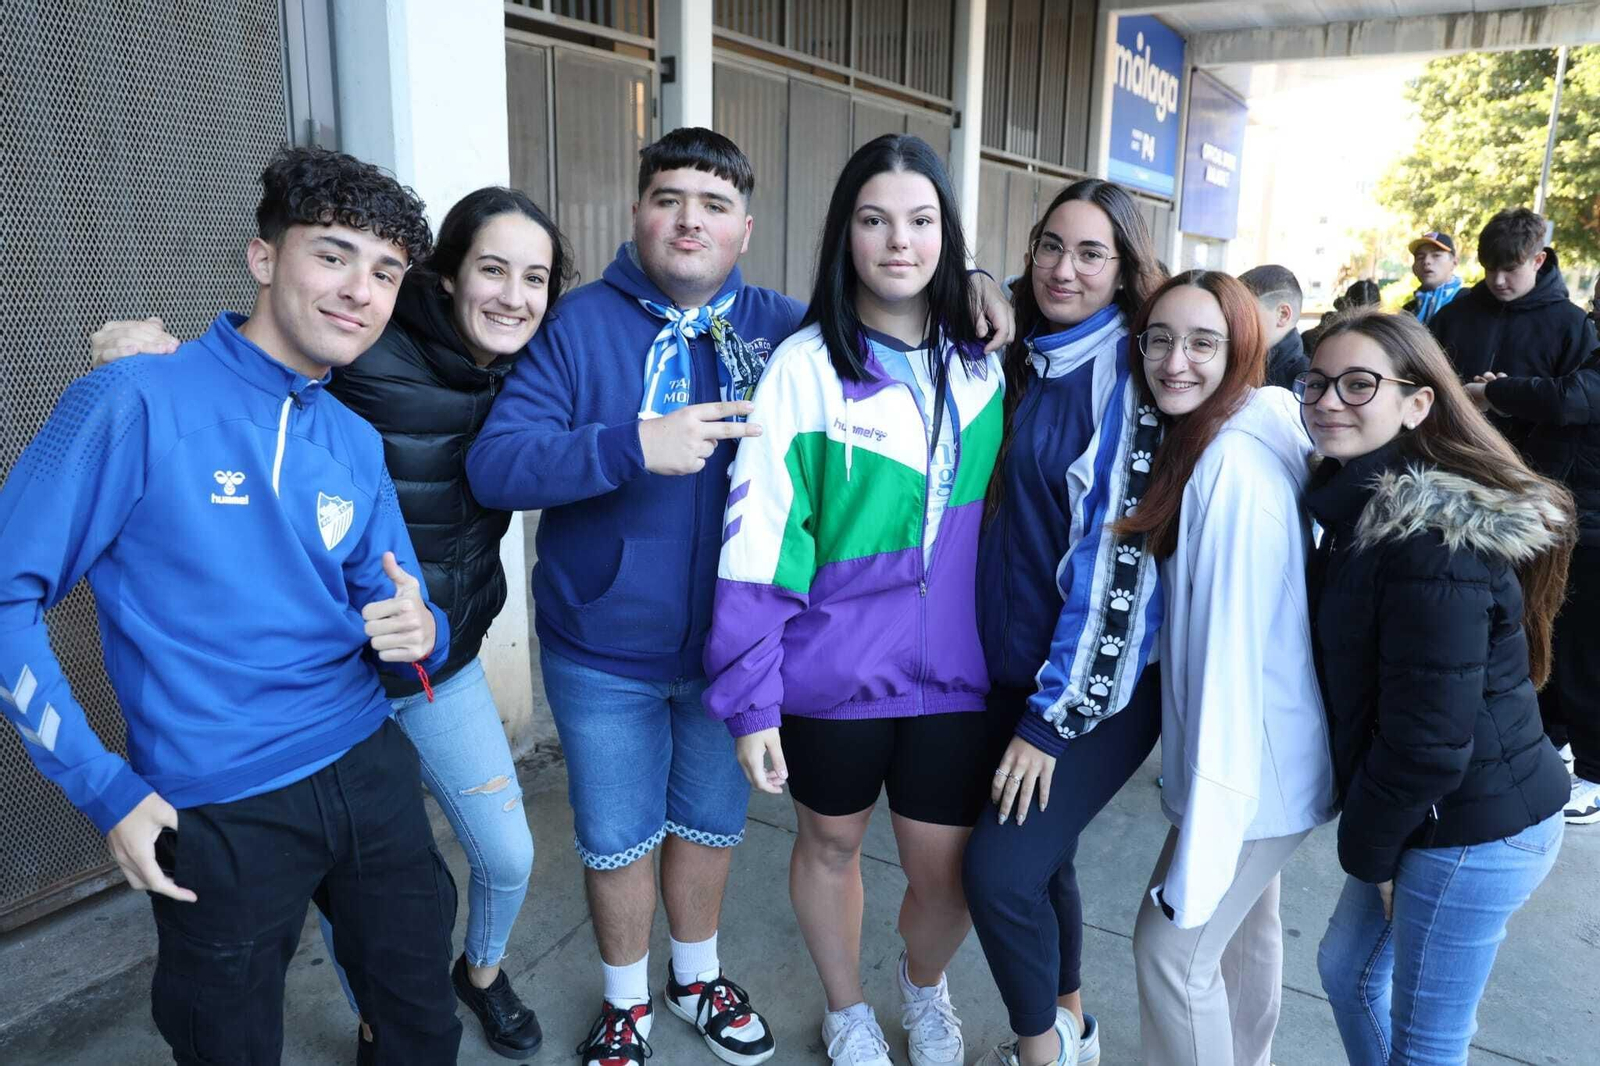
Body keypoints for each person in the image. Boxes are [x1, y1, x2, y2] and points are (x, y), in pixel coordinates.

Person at [465, 127, 1015, 1066]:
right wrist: (631, 444)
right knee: (616, 839)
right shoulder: (578, 324)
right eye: (669, 200)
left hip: (737, 653)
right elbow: (496, 464)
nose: (691, 221)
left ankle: (695, 977)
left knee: (710, 826)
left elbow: (891, 298)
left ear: (745, 229)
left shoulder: (784, 330)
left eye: (714, 205)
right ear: (637, 212)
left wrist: (978, 283)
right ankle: (627, 1004)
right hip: (607, 647)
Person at [0, 146, 463, 1063]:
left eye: (385, 272)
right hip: (219, 804)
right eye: (332, 254)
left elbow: (401, 613)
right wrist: (105, 788)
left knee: (421, 1022)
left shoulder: (354, 439)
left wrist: (425, 630)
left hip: (369, 765)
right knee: (228, 1045)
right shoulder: (135, 399)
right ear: (263, 257)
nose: (360, 291)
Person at [89, 186, 575, 1057]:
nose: (512, 296)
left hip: (430, 661)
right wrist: (147, 356)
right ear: (446, 276)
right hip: (311, 686)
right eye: (492, 269)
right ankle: (373, 1016)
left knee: (499, 858)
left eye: (534, 279)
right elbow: (266, 347)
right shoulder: (364, 342)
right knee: (332, 914)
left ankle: (478, 976)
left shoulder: (533, 366)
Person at [702, 133, 1002, 1066]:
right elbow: (761, 540)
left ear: (947, 235)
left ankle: (923, 987)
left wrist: (990, 293)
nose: (899, 241)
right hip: (829, 675)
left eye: (920, 220)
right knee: (829, 847)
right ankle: (846, 1009)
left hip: (958, 675)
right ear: (846, 235)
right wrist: (752, 700)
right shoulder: (804, 367)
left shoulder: (985, 362)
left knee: (948, 878)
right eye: (874, 220)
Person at [1299, 310, 1573, 1063]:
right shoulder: (1360, 505)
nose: (1329, 401)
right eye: (1316, 383)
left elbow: (1427, 744)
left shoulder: (1429, 543)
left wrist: (1373, 855)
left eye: (1359, 385)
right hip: (1431, 812)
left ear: (1417, 403)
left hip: (1470, 832)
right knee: (1349, 972)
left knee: (1427, 1045)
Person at [963, 177, 1167, 1066]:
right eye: (1051, 245)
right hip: (1010, 665)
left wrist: (1050, 722)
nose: (1064, 269)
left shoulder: (1127, 375)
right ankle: (1075, 1023)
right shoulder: (1022, 347)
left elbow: (1116, 569)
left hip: (1095, 684)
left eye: (1091, 253)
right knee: (1046, 860)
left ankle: (1040, 1051)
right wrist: (976, 280)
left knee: (999, 873)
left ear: (1123, 270)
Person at [1119, 270, 1335, 1066]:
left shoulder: (1229, 472)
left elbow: (1231, 663)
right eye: (1160, 340)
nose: (1175, 362)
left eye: (1202, 343)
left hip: (1249, 772)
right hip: (1272, 762)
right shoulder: (1247, 422)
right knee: (1244, 935)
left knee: (1171, 955)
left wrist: (1207, 826)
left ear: (1243, 345)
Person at [1433, 207, 1600, 826]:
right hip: (1460, 492)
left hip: (1541, 502)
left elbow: (1574, 406)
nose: (1500, 281)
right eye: (1490, 269)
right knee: (1488, 623)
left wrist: (1501, 394)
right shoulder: (1458, 313)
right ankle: (1524, 734)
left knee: (1556, 630)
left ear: (1539, 260)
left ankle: (1574, 755)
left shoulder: (1571, 326)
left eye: (1511, 269)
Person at [1238, 264, 1307, 388]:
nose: (1235, 322)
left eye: (1246, 313)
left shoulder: (1307, 384)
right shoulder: (1238, 366)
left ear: (1283, 315)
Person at [1401, 231, 1463, 325]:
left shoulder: (1470, 303)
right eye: (1420, 257)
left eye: (1436, 255)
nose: (1426, 261)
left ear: (1454, 263)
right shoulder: (1407, 313)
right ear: (1414, 268)